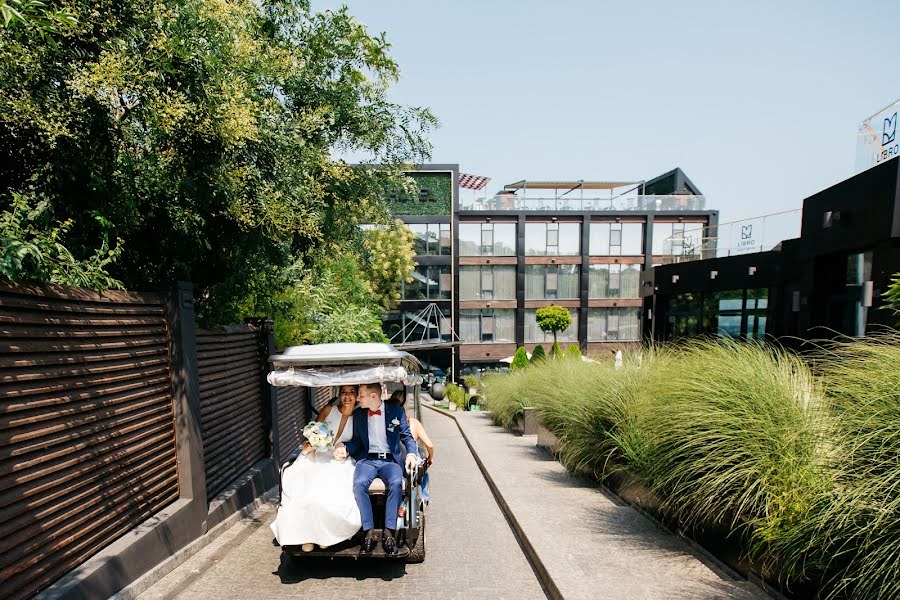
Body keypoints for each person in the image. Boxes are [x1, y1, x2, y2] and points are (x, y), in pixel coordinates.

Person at [270, 385, 361, 551]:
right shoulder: (328, 409)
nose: (347, 397)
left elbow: (361, 442)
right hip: (319, 454)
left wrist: (346, 449)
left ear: (357, 396)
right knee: (302, 483)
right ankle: (305, 536)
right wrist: (311, 442)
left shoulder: (360, 416)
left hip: (341, 459)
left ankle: (325, 534)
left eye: (351, 393)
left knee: (331, 489)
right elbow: (314, 430)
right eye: (344, 393)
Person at [333, 383, 419, 556]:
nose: (358, 398)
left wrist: (412, 454)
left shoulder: (395, 412)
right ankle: (369, 533)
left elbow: (407, 436)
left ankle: (389, 533)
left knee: (395, 483)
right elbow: (357, 441)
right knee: (359, 484)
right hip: (368, 460)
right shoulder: (359, 415)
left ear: (373, 396)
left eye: (361, 395)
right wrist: (346, 447)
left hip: (390, 461)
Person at [388, 390, 434, 503]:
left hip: (391, 457)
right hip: (409, 457)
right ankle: (424, 496)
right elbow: (429, 445)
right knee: (424, 470)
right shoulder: (413, 423)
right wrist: (430, 458)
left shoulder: (387, 421)